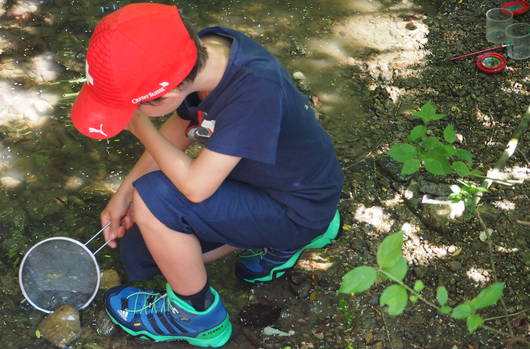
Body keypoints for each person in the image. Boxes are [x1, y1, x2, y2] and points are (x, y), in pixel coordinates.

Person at [70, 3, 343, 348]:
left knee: (152, 203)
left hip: (295, 206)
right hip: (290, 183)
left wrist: (138, 127)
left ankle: (196, 317)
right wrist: (121, 194)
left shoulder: (256, 90)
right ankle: (303, 230)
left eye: (135, 107)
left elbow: (196, 189)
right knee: (141, 239)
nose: (132, 116)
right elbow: (183, 124)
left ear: (164, 95)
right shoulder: (205, 54)